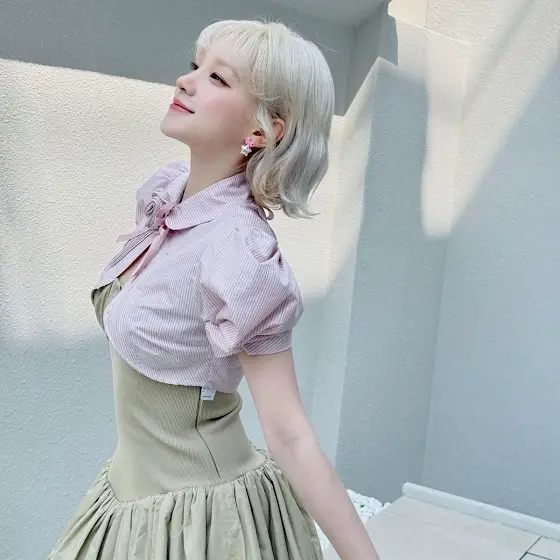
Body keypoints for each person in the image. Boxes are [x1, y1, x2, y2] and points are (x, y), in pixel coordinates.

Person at [48, 19, 381, 560]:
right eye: (195, 65)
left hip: (200, 523)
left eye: (219, 78)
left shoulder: (238, 249)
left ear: (264, 131)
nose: (186, 81)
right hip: (128, 501)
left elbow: (289, 433)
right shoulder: (169, 197)